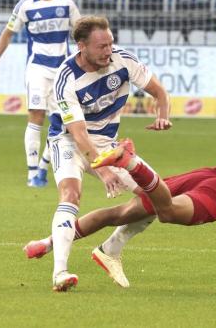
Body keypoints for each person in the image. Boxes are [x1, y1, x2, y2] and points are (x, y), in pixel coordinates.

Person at [25, 121, 216, 289]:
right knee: (166, 212)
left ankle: (50, 241)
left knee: (120, 213)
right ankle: (131, 162)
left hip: (205, 176)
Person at [45, 15, 171, 291]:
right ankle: (60, 273)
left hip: (107, 144)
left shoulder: (122, 60)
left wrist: (163, 116)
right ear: (82, 46)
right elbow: (78, 134)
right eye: (101, 46)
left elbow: (159, 91)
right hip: (67, 141)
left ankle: (111, 248)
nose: (108, 51)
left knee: (158, 196)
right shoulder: (66, 78)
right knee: (70, 194)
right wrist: (102, 170)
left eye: (110, 43)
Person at [0, 0, 80, 187]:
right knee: (36, 116)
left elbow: (80, 34)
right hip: (37, 68)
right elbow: (7, 33)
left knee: (62, 123)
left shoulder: (66, 2)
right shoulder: (26, 4)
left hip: (62, 71)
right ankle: (31, 174)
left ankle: (42, 167)